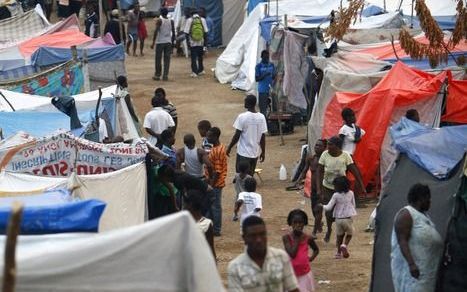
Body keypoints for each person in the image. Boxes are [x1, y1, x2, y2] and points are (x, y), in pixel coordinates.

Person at [391, 184, 443, 292]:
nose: (430, 201)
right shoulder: (406, 214)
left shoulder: (424, 216)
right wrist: (411, 264)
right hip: (415, 275)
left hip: (426, 275)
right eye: (428, 198)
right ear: (421, 198)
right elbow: (402, 241)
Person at [228, 216, 299, 292]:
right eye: (253, 236)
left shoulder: (281, 257)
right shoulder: (235, 267)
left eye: (262, 234)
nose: (259, 240)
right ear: (244, 238)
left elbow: (293, 289)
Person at [316, 136, 365, 242]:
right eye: (328, 144)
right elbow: (319, 171)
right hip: (328, 188)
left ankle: (341, 234)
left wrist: (362, 185)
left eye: (330, 144)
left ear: (337, 146)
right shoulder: (325, 155)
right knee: (329, 213)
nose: (328, 146)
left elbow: (354, 171)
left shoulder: (345, 156)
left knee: (342, 213)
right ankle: (329, 229)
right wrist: (319, 189)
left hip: (341, 189)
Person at [227, 95, 267, 176]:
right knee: (249, 176)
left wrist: (229, 147)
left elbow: (236, 135)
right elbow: (263, 137)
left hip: (243, 154)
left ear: (248, 103)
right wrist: (263, 152)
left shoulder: (242, 117)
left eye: (245, 101)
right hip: (254, 153)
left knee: (240, 176)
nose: (244, 103)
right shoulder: (261, 117)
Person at [282, 209, 319, 292]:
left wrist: (311, 258)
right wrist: (297, 238)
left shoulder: (307, 237)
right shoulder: (287, 238)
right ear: (290, 223)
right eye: (294, 222)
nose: (297, 225)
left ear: (304, 223)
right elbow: (292, 254)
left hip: (304, 275)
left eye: (300, 223)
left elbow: (316, 250)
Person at [297, 139, 327, 237]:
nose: (317, 147)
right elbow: (305, 170)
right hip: (313, 188)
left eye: (319, 146)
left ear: (324, 148)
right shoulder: (311, 158)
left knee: (318, 209)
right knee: (314, 209)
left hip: (323, 188)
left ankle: (314, 231)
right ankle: (318, 223)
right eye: (316, 145)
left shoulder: (326, 160)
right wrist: (298, 180)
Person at [323, 176, 357, 259]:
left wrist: (321, 206)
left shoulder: (335, 195)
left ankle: (338, 253)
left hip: (338, 219)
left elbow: (328, 207)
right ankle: (344, 245)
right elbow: (354, 205)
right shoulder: (351, 193)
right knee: (349, 233)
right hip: (348, 218)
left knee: (339, 236)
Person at [205, 127, 228, 236]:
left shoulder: (218, 150)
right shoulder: (217, 147)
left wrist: (211, 185)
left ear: (215, 137)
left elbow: (217, 171)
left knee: (215, 206)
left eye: (209, 136)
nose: (207, 138)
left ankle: (217, 229)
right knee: (212, 205)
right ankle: (211, 227)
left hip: (216, 183)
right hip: (214, 182)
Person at [184, 189, 216, 259]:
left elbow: (210, 246)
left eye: (186, 203)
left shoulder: (206, 224)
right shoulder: (183, 221)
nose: (184, 206)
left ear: (190, 205)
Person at [151, 7, 175, 81]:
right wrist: (172, 43)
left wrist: (153, 42)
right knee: (167, 59)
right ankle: (165, 75)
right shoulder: (171, 21)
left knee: (158, 59)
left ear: (161, 13)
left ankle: (157, 75)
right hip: (168, 42)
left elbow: (156, 31)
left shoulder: (160, 21)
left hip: (160, 42)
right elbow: (173, 33)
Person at [184, 9, 209, 77]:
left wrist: (188, 44)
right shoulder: (202, 19)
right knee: (200, 57)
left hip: (193, 42)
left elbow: (186, 33)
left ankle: (194, 72)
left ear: (191, 14)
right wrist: (205, 45)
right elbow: (206, 32)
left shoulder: (189, 20)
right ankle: (201, 70)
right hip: (201, 42)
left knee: (193, 58)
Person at [255, 50, 276, 117]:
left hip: (271, 90)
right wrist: (264, 75)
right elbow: (257, 79)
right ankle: (263, 122)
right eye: (265, 58)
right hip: (262, 90)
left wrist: (274, 76)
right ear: (261, 57)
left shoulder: (271, 65)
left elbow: (274, 76)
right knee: (263, 108)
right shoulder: (258, 66)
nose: (266, 59)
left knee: (273, 107)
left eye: (267, 57)